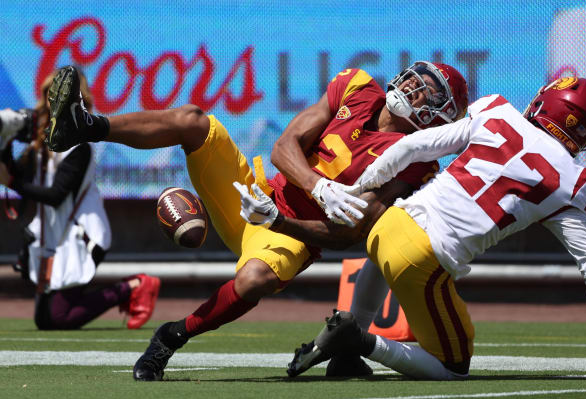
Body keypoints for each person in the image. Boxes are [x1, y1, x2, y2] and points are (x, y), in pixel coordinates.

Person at [42, 62, 469, 380]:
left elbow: (348, 235)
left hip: (289, 233)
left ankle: (169, 338)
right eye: (416, 79)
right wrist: (317, 187)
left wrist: (279, 221)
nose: (413, 88)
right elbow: (286, 145)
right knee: (194, 121)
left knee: (253, 282)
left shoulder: (417, 165)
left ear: (440, 117)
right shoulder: (357, 87)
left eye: (427, 93)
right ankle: (88, 125)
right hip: (252, 188)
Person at [238, 77, 586, 380]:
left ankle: (347, 339)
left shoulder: (496, 113)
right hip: (425, 256)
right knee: (454, 366)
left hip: (390, 222)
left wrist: (360, 187)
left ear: (543, 102)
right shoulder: (572, 181)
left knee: (383, 258)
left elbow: (412, 147)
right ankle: (358, 341)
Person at [0, 68, 160, 330]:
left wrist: (12, 182)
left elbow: (55, 195)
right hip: (57, 238)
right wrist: (5, 143)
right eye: (48, 97)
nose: (49, 104)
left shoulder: (79, 147)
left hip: (84, 236)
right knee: (45, 319)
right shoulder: (40, 145)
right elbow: (17, 173)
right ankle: (130, 288)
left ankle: (133, 287)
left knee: (59, 318)